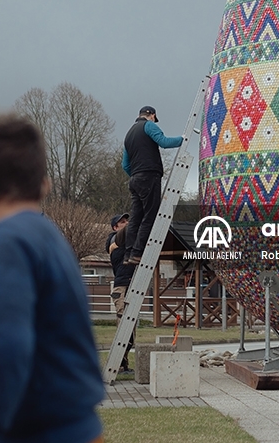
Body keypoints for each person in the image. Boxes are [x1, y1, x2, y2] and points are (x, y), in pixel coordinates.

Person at [0, 109, 104, 443]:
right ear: (44, 185)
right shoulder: (49, 236)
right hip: (81, 425)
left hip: (39, 430)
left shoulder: (3, 241)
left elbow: (6, 348)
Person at [122, 105, 183, 264]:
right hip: (149, 176)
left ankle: (128, 254)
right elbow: (163, 142)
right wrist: (184, 139)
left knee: (136, 217)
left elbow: (125, 165)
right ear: (152, 115)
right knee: (150, 215)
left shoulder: (128, 134)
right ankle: (137, 253)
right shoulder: (149, 125)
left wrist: (136, 175)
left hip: (135, 179)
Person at [107, 213, 135, 372]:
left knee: (131, 330)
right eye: (122, 222)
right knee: (124, 326)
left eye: (127, 221)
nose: (126, 223)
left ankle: (124, 365)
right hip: (121, 287)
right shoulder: (113, 240)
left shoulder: (129, 241)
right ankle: (117, 365)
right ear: (115, 227)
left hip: (130, 286)